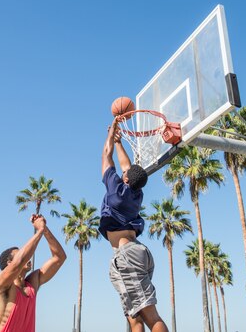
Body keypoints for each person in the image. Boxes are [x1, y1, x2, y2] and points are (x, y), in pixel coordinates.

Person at [100, 117, 169, 332]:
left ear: (126, 179)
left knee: (150, 316)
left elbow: (106, 156)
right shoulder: (135, 193)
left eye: (125, 174)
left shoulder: (117, 192)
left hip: (128, 255)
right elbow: (126, 166)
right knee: (133, 316)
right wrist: (120, 142)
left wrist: (111, 134)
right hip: (132, 253)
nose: (123, 172)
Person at [0, 214, 66, 332]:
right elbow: (20, 261)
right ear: (9, 263)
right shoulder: (1, 285)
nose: (27, 257)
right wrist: (39, 230)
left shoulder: (31, 284)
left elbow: (59, 257)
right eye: (19, 253)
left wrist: (44, 229)